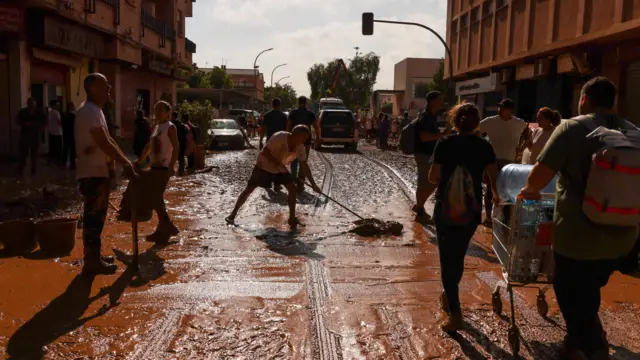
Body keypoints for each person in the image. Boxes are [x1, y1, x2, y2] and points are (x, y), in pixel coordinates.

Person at [520, 77, 639, 360]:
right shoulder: (633, 132)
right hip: (625, 237)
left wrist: (527, 191)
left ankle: (593, 347)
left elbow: (538, 177)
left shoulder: (572, 128)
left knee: (569, 292)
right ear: (613, 101)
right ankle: (576, 342)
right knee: (588, 291)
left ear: (584, 99)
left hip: (577, 239)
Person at [429, 102, 498, 332]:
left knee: (446, 260)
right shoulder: (484, 146)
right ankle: (449, 297)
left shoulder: (444, 143)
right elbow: (493, 178)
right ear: (477, 122)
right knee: (458, 257)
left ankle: (455, 313)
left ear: (454, 121)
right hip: (471, 209)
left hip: (446, 209)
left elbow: (433, 177)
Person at [75, 73, 136, 275]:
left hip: (97, 171)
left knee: (98, 217)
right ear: (92, 88)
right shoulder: (89, 111)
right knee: (93, 218)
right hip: (92, 173)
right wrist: (125, 162)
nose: (109, 88)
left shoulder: (96, 111)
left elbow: (109, 140)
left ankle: (94, 256)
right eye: (105, 85)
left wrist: (115, 164)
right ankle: (91, 262)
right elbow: (104, 142)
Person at [225, 125, 322, 227]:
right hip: (263, 165)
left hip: (280, 168)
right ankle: (233, 214)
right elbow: (266, 152)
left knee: (292, 189)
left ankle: (292, 219)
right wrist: (278, 164)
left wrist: (314, 184)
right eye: (304, 137)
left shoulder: (300, 147)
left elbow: (304, 165)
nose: (305, 140)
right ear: (296, 135)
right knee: (249, 189)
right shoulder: (279, 137)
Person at [136, 101, 181, 244]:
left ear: (167, 112)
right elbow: (148, 147)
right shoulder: (156, 128)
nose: (156, 112)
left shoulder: (170, 127)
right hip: (154, 166)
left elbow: (176, 147)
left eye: (159, 109)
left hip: (164, 167)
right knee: (158, 199)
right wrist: (138, 162)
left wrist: (172, 166)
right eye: (155, 109)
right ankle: (164, 230)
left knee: (154, 198)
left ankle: (167, 226)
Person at [478, 98, 526, 227]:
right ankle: (488, 218)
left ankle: (504, 218)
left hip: (509, 162)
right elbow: (476, 130)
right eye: (499, 107)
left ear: (510, 110)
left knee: (507, 190)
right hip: (491, 160)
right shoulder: (490, 121)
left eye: (503, 108)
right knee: (489, 189)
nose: (499, 110)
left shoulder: (519, 123)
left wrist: (521, 147)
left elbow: (527, 133)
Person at [413, 91, 451, 224]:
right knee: (428, 182)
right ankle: (419, 210)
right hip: (423, 154)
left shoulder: (432, 116)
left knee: (427, 182)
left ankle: (419, 208)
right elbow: (424, 137)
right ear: (433, 101)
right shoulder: (426, 116)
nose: (442, 102)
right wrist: (442, 135)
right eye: (440, 99)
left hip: (428, 154)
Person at [287, 96, 320, 191]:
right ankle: (301, 184)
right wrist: (318, 137)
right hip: (306, 141)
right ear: (306, 103)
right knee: (303, 162)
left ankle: (293, 181)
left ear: (298, 102)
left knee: (293, 161)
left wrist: (288, 138)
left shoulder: (293, 113)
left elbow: (288, 126)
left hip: (293, 140)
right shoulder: (310, 114)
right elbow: (316, 127)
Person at [16, 98, 46, 176]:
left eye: (33, 105)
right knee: (23, 154)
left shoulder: (39, 112)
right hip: (25, 135)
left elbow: (45, 121)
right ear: (28, 104)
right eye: (30, 104)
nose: (32, 106)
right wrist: (25, 124)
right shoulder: (23, 112)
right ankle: (20, 168)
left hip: (35, 135)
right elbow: (17, 120)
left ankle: (33, 171)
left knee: (34, 155)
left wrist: (40, 127)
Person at [170, 111, 188, 176]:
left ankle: (171, 170)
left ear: (172, 116)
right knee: (181, 157)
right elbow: (186, 134)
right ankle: (181, 171)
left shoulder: (170, 124)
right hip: (182, 142)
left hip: (173, 142)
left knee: (171, 156)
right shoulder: (181, 124)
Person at [47, 100, 63, 166]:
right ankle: (58, 161)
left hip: (51, 132)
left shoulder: (50, 112)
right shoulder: (56, 113)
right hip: (57, 132)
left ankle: (50, 160)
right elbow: (59, 122)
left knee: (52, 147)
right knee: (58, 147)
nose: (58, 106)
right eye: (57, 104)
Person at [62, 102, 76, 169]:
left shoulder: (63, 115)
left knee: (66, 148)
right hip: (71, 134)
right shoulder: (73, 116)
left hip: (65, 133)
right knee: (72, 149)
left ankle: (64, 162)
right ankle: (72, 163)